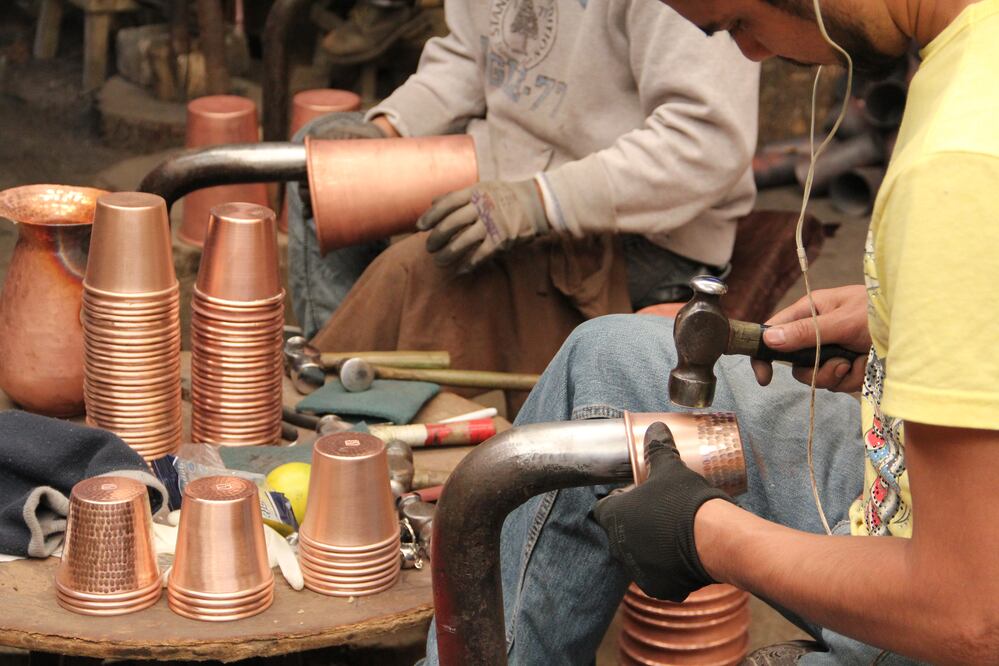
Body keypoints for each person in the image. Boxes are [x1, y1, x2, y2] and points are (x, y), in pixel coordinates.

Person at [421, 0, 999, 663]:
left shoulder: (958, 160)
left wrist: (703, 534)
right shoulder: (973, 53)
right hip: (915, 504)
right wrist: (904, 324)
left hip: (944, 600)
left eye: (734, 22)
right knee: (609, 360)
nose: (747, 55)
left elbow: (971, 618)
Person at [288, 0, 759, 402]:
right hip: (508, 176)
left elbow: (704, 140)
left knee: (421, 270)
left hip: (642, 228)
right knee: (322, 168)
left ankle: (351, 395)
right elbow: (467, 59)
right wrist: (386, 131)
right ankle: (335, 379)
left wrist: (537, 201)